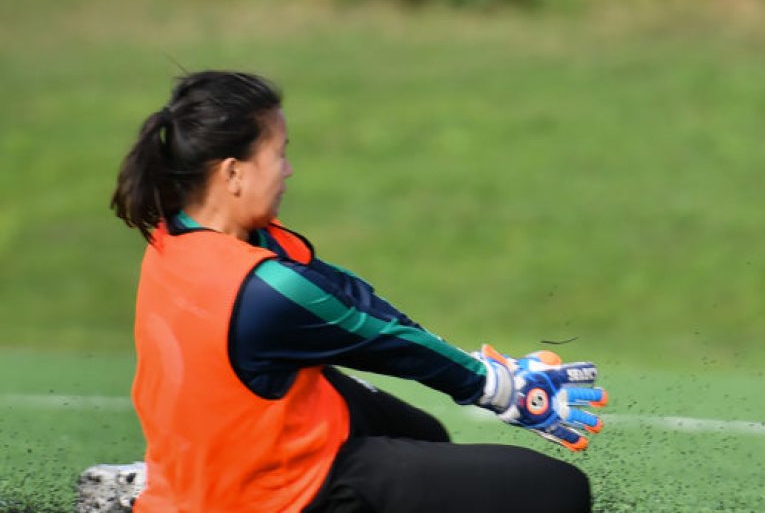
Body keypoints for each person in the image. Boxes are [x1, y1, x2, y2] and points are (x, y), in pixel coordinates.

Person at [110, 70, 609, 512]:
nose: (287, 170)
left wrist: (484, 373)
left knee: (423, 435)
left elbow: (352, 302)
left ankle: (168, 488)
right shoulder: (263, 292)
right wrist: (504, 389)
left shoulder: (178, 234)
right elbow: (377, 336)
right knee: (557, 490)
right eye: (278, 155)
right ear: (233, 172)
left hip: (222, 451)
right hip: (263, 494)